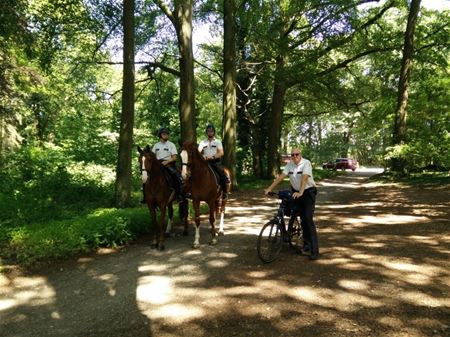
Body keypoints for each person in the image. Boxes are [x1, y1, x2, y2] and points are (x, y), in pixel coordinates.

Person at [264, 148, 319, 260]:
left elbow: (304, 178)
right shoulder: (290, 165)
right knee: (298, 217)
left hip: (308, 193)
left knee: (308, 220)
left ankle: (314, 251)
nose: (294, 156)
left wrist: (301, 192)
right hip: (296, 193)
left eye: (296, 154)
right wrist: (269, 188)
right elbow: (281, 177)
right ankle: (305, 245)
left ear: (300, 154)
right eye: (292, 155)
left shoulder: (306, 163)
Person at [146, 127, 184, 203]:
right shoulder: (156, 145)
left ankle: (179, 196)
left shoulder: (171, 145)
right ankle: (145, 196)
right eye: (164, 134)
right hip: (158, 165)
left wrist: (166, 162)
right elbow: (153, 157)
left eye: (167, 134)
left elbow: (174, 157)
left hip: (169, 164)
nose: (166, 135)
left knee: (177, 177)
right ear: (160, 135)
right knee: (146, 179)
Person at [198, 123, 229, 199]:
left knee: (222, 174)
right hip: (205, 163)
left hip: (215, 162)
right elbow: (198, 152)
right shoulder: (202, 142)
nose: (210, 132)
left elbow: (221, 152)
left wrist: (213, 157)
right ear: (206, 132)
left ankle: (224, 193)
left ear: (214, 132)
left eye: (211, 131)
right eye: (208, 131)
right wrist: (203, 157)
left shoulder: (217, 141)